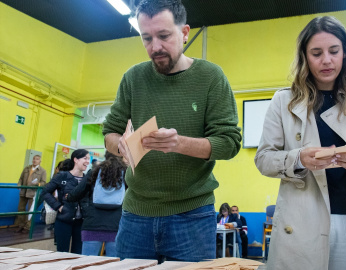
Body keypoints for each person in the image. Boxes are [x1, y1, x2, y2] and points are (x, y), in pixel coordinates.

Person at [102, 0, 241, 263]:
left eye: (164, 36)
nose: (155, 47)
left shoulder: (211, 77)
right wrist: (121, 145)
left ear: (185, 32)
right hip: (135, 214)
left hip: (192, 216)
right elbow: (110, 132)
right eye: (146, 38)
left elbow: (229, 143)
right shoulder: (133, 78)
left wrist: (178, 143)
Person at [254, 16, 346, 270]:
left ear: (345, 54)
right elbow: (264, 158)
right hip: (301, 223)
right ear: (305, 57)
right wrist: (299, 158)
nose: (326, 60)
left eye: (334, 51)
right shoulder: (282, 101)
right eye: (316, 53)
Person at [66, 152, 127, 257]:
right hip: (117, 225)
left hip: (92, 224)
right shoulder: (126, 173)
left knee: (88, 264)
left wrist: (68, 196)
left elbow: (75, 194)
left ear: (106, 156)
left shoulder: (94, 171)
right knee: (115, 265)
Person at [41, 149, 90, 254]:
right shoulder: (62, 176)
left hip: (81, 223)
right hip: (64, 220)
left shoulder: (88, 179)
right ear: (76, 159)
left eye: (89, 159)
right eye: (85, 158)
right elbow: (45, 192)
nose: (88, 161)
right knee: (62, 253)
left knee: (78, 254)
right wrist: (58, 206)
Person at [14, 155, 47, 233]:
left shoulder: (42, 171)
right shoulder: (27, 168)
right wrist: (19, 185)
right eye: (34, 159)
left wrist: (38, 184)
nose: (35, 160)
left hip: (33, 193)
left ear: (40, 161)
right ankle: (21, 225)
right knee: (20, 209)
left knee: (30, 210)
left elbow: (44, 183)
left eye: (37, 159)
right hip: (23, 192)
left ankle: (27, 227)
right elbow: (21, 178)